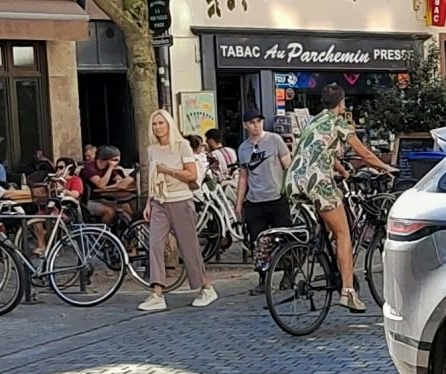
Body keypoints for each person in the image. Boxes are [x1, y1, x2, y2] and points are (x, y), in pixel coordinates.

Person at [285, 81, 391, 314]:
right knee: (344, 234)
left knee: (331, 227)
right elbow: (364, 154)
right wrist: (386, 167)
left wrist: (341, 170)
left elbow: (320, 149)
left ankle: (321, 251)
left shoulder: (313, 121)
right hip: (318, 183)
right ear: (341, 103)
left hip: (295, 181)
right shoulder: (338, 123)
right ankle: (348, 292)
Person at [139, 108, 216, 312]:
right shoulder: (152, 149)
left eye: (161, 123)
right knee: (155, 244)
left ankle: (205, 287)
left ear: (169, 124)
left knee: (188, 247)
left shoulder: (182, 146)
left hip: (181, 200)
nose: (157, 127)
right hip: (159, 201)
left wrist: (169, 170)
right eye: (154, 124)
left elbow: (191, 175)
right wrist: (149, 202)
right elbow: (153, 178)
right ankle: (157, 293)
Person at [235, 110, 292, 242]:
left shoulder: (275, 139)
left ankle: (286, 262)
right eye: (252, 122)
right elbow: (243, 177)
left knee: (284, 239)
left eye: (259, 121)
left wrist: (289, 191)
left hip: (276, 198)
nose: (256, 125)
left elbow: (288, 166)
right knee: (259, 242)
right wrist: (239, 203)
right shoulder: (243, 148)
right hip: (254, 202)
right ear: (245, 125)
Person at [85, 146, 136, 224]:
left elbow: (119, 181)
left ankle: (125, 232)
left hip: (104, 198)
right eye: (115, 160)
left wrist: (109, 186)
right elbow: (100, 184)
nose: (117, 163)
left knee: (126, 207)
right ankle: (105, 233)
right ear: (107, 160)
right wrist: (110, 168)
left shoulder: (110, 168)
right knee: (109, 211)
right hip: (89, 200)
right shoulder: (90, 167)